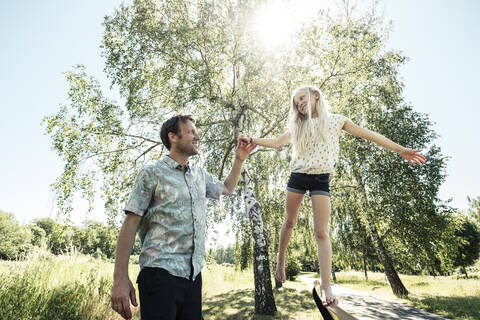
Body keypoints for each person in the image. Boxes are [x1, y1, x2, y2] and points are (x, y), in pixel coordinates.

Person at [239, 85, 426, 305]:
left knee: (322, 232)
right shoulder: (297, 125)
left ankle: (326, 286)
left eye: (301, 98)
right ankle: (280, 262)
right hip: (298, 175)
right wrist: (252, 139)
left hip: (321, 178)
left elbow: (371, 136)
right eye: (295, 102)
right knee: (289, 222)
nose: (298, 103)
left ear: (315, 95)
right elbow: (275, 143)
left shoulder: (337, 121)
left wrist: (400, 150)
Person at [111, 114, 255, 320]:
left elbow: (227, 188)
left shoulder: (199, 175)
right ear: (173, 137)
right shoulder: (151, 174)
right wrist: (120, 279)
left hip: (193, 278)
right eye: (191, 132)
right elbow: (130, 223)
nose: (197, 137)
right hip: (159, 275)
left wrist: (239, 158)